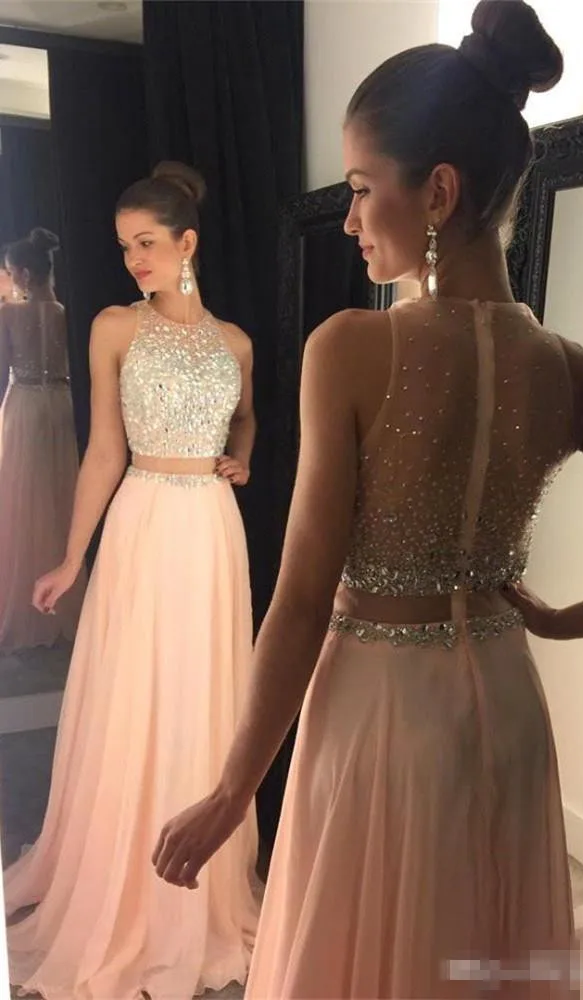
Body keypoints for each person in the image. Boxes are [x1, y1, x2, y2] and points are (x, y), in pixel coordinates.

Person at [153, 3, 583, 997]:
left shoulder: (350, 348)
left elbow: (301, 599)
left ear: (436, 190)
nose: (350, 220)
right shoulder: (573, 371)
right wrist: (560, 623)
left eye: (361, 190)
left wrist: (231, 791)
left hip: (381, 720)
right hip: (508, 717)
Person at [4, 162, 262, 999]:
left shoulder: (235, 343)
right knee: (134, 694)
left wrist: (242, 457)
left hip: (212, 532)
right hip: (144, 520)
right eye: (124, 247)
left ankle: (197, 887)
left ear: (187, 242)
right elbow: (104, 450)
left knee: (202, 693)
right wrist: (72, 556)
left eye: (146, 243)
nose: (133, 260)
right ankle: (122, 874)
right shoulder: (115, 326)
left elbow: (247, 416)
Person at [0, 228, 86, 652]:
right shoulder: (66, 313)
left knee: (21, 499)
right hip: (61, 405)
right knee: (60, 498)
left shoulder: (7, 315)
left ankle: (22, 601)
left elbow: (3, 370)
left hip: (24, 405)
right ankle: (64, 599)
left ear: (23, 273)